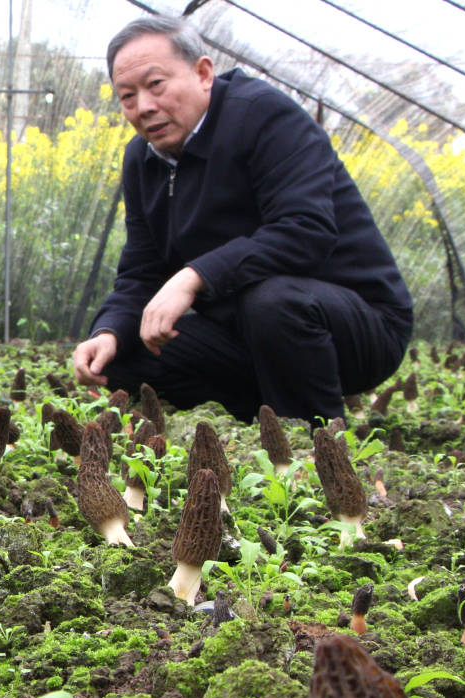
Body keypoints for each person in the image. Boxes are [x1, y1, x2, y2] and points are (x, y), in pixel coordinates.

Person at [71, 15, 413, 423]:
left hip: (354, 328)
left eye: (156, 84)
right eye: (127, 96)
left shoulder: (264, 117)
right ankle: (265, 410)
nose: (144, 106)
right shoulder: (143, 160)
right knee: (122, 361)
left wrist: (192, 276)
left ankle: (313, 441)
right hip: (247, 334)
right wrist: (108, 331)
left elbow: (305, 231)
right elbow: (142, 270)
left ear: (202, 73)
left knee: (272, 301)